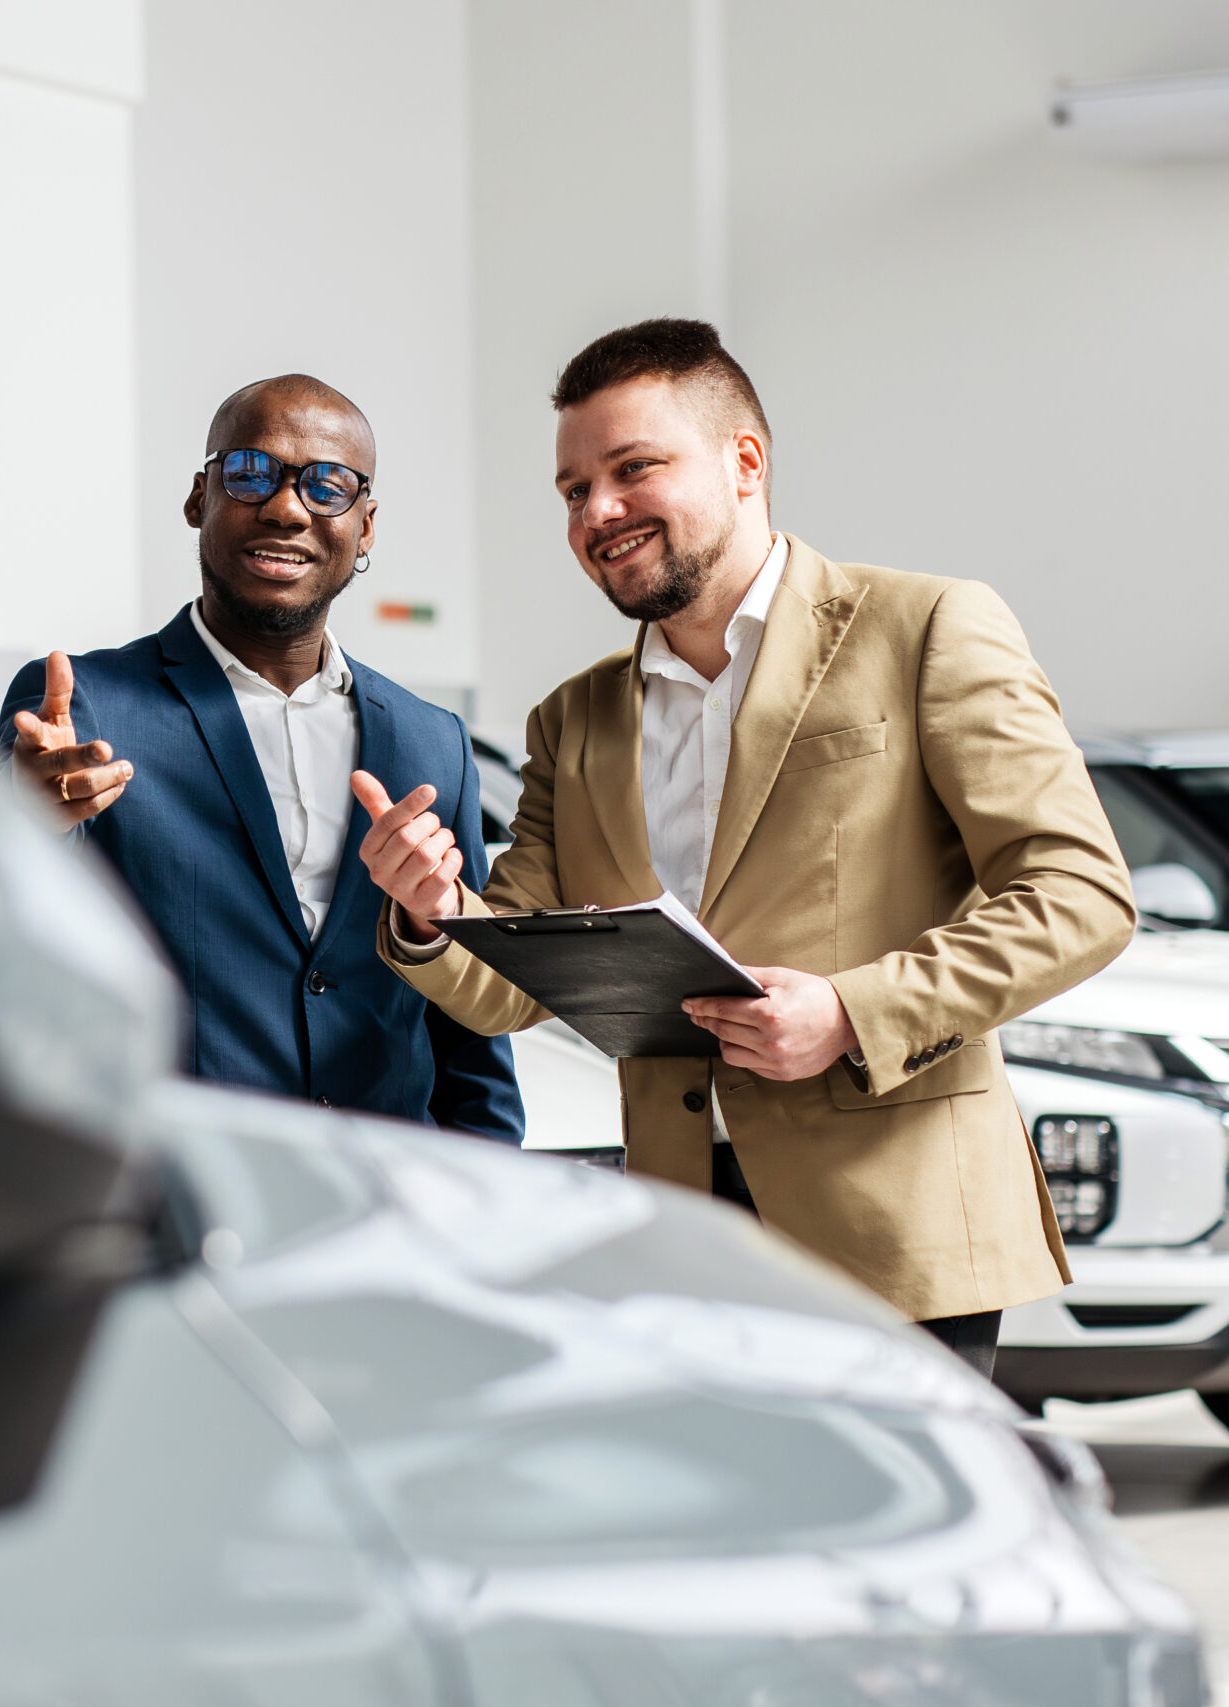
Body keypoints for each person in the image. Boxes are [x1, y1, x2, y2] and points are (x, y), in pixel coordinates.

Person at [358, 318, 1133, 1374]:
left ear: (743, 461)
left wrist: (850, 1013)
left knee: (890, 1539)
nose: (598, 512)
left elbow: (1079, 894)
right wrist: (431, 912)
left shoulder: (926, 629)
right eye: (573, 491)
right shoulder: (572, 720)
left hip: (891, 1225)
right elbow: (512, 980)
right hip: (681, 1238)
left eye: (633, 470)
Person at [0, 375, 522, 1138]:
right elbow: (2, 941)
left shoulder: (432, 740)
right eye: (249, 472)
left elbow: (471, 1034)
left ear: (365, 526)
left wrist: (486, 1202)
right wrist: (20, 820)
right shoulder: (88, 710)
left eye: (328, 485)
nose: (285, 506)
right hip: (176, 1198)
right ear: (197, 499)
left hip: (387, 1200)